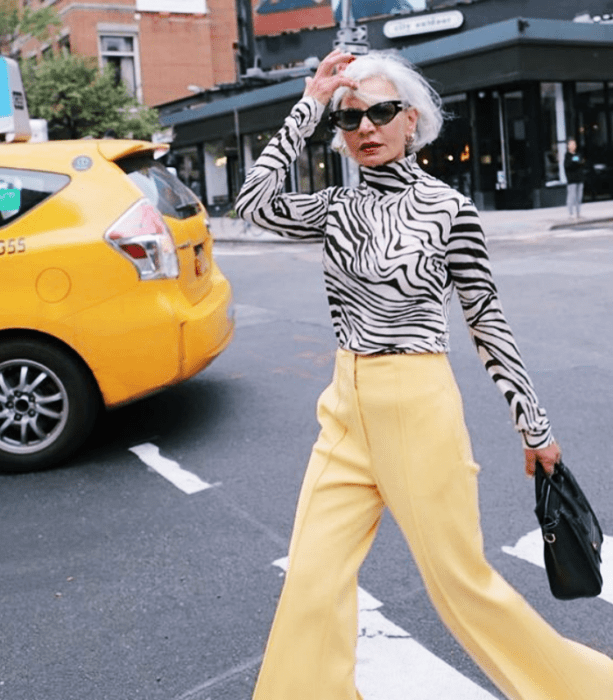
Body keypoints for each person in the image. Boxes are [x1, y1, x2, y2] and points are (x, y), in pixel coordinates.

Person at [234, 49, 613, 700]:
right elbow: (252, 204)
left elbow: (486, 321)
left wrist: (533, 427)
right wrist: (309, 102)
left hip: (416, 405)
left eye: (382, 112)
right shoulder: (335, 209)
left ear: (412, 120)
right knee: (311, 579)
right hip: (344, 406)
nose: (365, 128)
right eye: (349, 118)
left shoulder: (447, 211)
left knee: (460, 589)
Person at [564, 137, 585, 218]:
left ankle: (578, 212)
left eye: (574, 144)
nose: (573, 146)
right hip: (572, 180)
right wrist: (575, 162)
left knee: (579, 196)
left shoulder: (578, 154)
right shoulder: (567, 156)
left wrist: (576, 161)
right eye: (571, 144)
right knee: (571, 196)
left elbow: (581, 162)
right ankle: (570, 213)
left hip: (579, 178)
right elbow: (568, 165)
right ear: (568, 146)